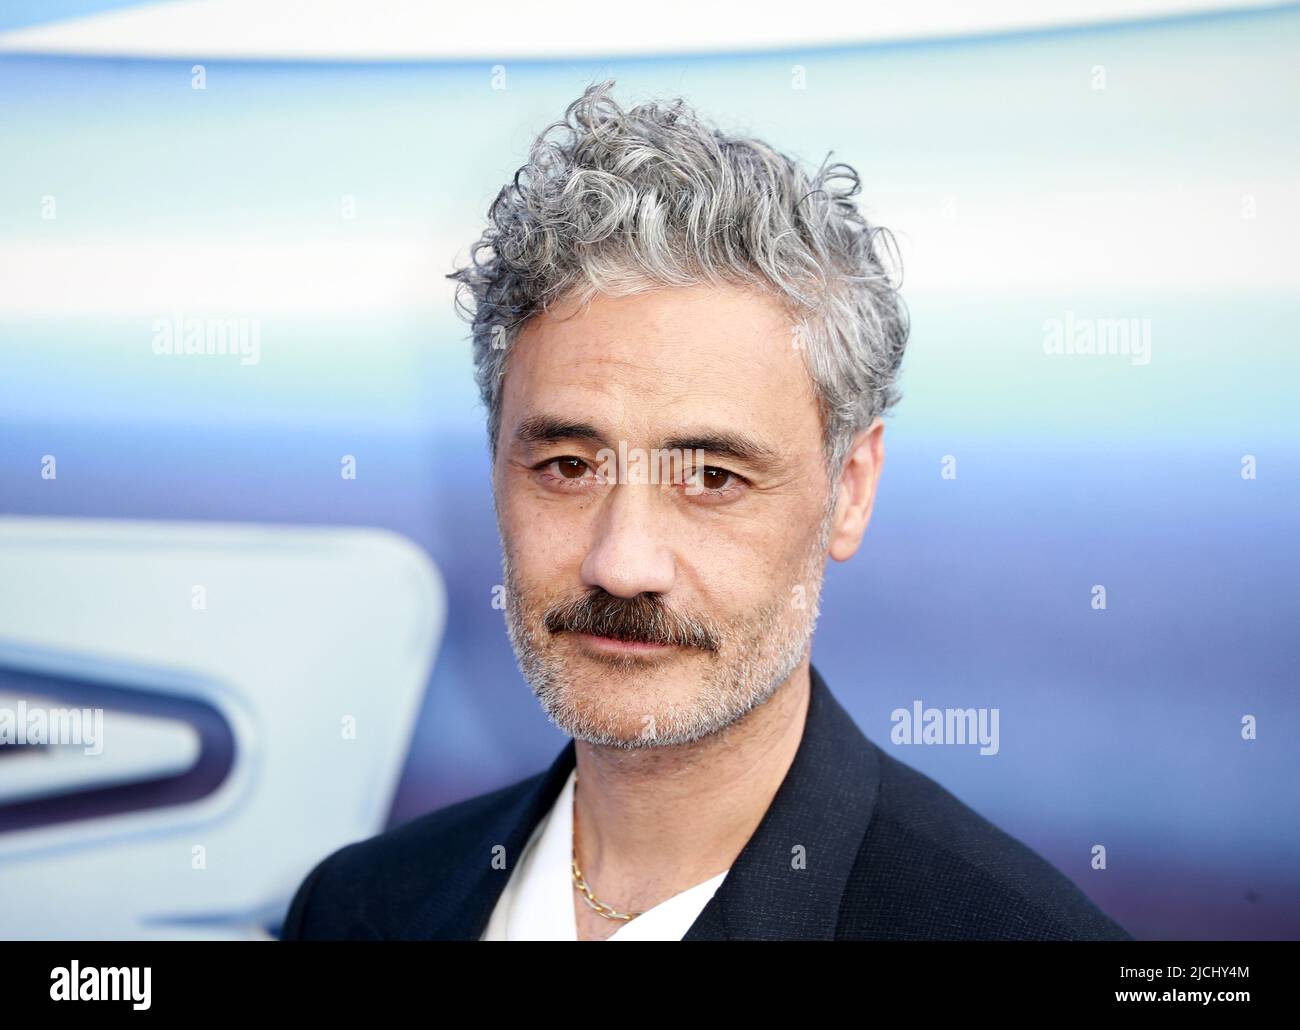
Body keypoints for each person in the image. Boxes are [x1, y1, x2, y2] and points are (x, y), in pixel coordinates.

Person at [281, 79, 1131, 941]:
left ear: (851, 490)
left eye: (713, 478)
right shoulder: (358, 909)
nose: (623, 561)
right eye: (569, 465)